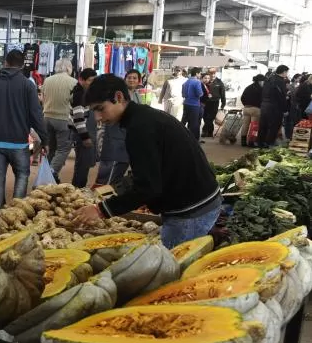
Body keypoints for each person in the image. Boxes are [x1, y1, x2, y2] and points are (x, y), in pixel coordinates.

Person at [73, 75, 221, 249]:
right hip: (201, 201)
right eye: (94, 112)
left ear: (119, 97)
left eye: (101, 109)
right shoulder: (145, 117)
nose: (98, 117)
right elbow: (152, 170)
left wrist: (101, 210)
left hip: (190, 211)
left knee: (171, 269)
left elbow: (148, 188)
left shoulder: (140, 128)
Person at [0, 50, 47, 211]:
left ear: (6, 62)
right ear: (21, 65)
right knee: (22, 175)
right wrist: (45, 139)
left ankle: (0, 211)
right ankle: (16, 210)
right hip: (19, 142)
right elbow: (36, 115)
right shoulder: (28, 85)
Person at [41, 59, 77, 182]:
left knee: (52, 148)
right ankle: (50, 174)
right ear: (68, 68)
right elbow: (74, 102)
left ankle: (50, 174)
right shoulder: (73, 82)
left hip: (47, 117)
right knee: (63, 149)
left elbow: (43, 98)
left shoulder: (47, 80)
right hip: (63, 118)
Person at [71, 68, 98, 188]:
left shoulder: (85, 93)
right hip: (83, 135)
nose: (93, 83)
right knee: (82, 166)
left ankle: (78, 188)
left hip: (86, 134)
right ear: (81, 80)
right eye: (90, 80)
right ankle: (78, 190)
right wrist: (85, 137)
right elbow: (78, 119)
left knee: (83, 165)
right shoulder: (79, 94)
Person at [259, 65, 289, 148]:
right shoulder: (280, 81)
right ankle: (269, 143)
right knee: (274, 125)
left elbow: (264, 92)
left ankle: (260, 143)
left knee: (263, 125)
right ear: (284, 72)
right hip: (275, 107)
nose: (287, 74)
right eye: (287, 72)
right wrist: (285, 109)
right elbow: (282, 97)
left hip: (264, 105)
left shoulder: (269, 79)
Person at [239, 74, 265, 147]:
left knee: (245, 125)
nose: (264, 83)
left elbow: (242, 98)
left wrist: (246, 105)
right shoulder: (261, 89)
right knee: (254, 126)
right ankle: (251, 142)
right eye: (263, 81)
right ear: (260, 81)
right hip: (256, 109)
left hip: (246, 109)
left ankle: (243, 142)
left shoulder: (248, 87)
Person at [181, 67, 205, 141]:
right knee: (194, 123)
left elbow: (183, 95)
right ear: (197, 73)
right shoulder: (197, 82)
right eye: (200, 73)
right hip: (194, 105)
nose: (200, 75)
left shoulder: (186, 82)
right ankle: (194, 140)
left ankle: (183, 137)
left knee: (184, 121)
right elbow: (200, 94)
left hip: (186, 103)